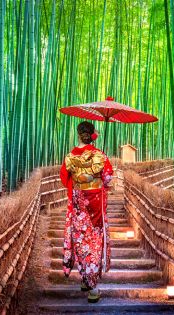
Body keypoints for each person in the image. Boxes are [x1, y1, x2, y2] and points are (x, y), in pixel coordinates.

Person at [59, 121, 113, 303]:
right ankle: (93, 287)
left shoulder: (69, 156)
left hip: (77, 201)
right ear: (92, 134)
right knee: (94, 239)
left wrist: (78, 183)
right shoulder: (99, 155)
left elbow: (64, 179)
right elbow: (107, 178)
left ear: (78, 134)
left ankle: (84, 277)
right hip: (95, 201)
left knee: (80, 237)